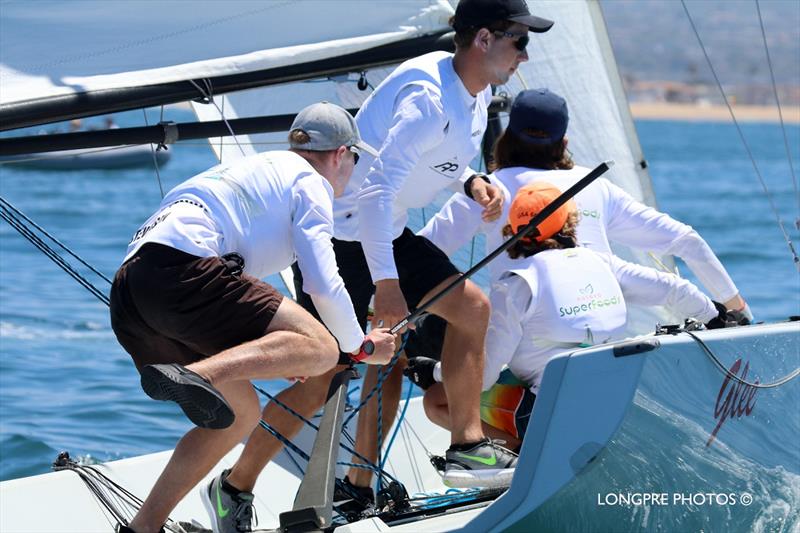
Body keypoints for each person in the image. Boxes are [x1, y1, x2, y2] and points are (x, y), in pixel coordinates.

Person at [109, 102, 396, 533]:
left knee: (240, 414)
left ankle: (142, 528)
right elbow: (322, 283)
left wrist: (285, 354)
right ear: (340, 154)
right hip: (183, 272)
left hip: (132, 290)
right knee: (322, 348)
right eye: (354, 159)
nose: (351, 170)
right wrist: (360, 347)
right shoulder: (310, 181)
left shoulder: (256, 171)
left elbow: (239, 291)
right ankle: (200, 375)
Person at [407, 182, 734, 451]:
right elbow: (675, 289)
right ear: (569, 222)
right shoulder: (603, 262)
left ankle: (521, 463)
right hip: (614, 405)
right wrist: (718, 317)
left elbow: (485, 375)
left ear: (514, 228)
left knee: (438, 400)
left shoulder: (516, 285)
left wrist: (433, 372)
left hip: (550, 417)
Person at [419, 88, 752, 323]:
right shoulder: (597, 187)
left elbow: (420, 254)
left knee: (437, 403)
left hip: (522, 356)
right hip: (607, 346)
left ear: (507, 137)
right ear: (564, 142)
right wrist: (738, 310)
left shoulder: (486, 192)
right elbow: (687, 242)